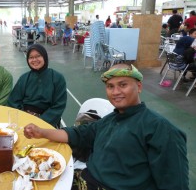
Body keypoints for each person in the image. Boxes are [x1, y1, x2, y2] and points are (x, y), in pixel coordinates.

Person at [23, 63, 189, 190]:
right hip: (83, 180)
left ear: (139, 87)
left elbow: (175, 184)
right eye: (110, 86)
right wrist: (41, 132)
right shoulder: (110, 120)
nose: (115, 92)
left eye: (123, 85)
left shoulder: (160, 130)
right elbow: (78, 134)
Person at [8, 44, 67, 128]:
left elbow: (58, 106)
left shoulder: (57, 78)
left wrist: (40, 122)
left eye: (38, 56)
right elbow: (13, 101)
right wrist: (23, 117)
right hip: (24, 120)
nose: (34, 60)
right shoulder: (24, 78)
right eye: (31, 57)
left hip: (47, 121)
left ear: (44, 57)